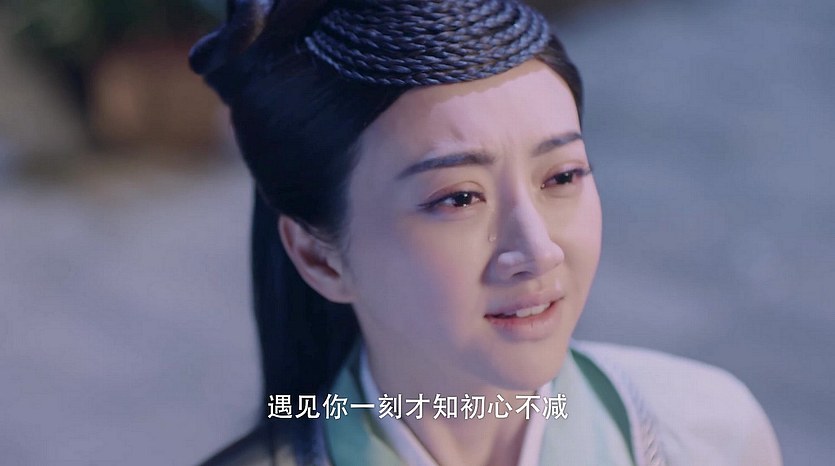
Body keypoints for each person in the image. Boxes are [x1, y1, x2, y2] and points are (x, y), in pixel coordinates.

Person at [189, 0, 782, 464]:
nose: (538, 250)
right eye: (459, 198)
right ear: (320, 258)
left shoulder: (708, 435)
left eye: (562, 176)